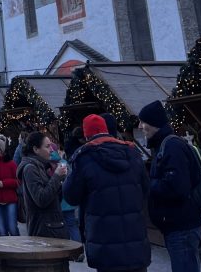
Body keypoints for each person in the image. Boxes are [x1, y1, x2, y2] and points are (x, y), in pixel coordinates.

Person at [63, 114, 151, 272]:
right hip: (135, 238)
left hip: (104, 241)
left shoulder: (84, 158)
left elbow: (71, 196)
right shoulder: (132, 153)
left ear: (86, 135)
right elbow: (146, 188)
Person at [138, 100, 201, 272]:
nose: (140, 126)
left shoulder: (172, 147)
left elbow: (178, 187)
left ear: (154, 123)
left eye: (143, 122)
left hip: (181, 225)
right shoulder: (165, 145)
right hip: (177, 224)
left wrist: (149, 185)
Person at [16, 131, 69, 239]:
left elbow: (53, 197)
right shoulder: (30, 168)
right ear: (36, 149)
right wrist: (57, 176)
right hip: (44, 230)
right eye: (47, 146)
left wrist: (60, 179)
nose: (51, 150)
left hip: (51, 227)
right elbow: (41, 199)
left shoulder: (41, 166)